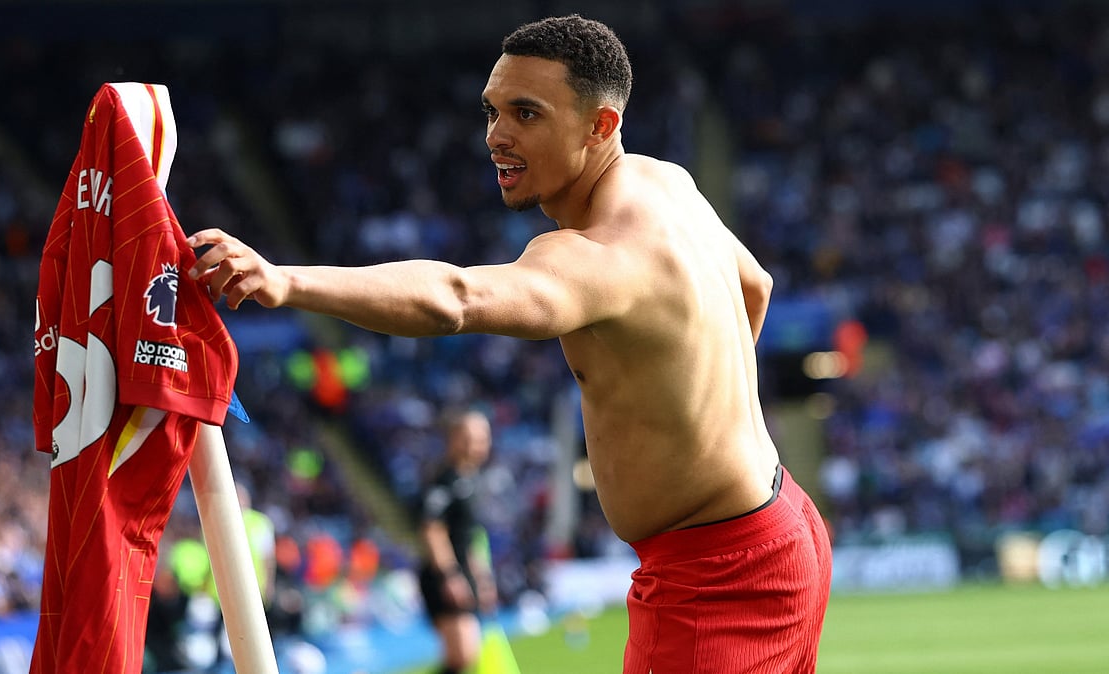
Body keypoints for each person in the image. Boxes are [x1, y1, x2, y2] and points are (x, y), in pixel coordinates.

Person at [187, 14, 832, 672]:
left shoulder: (597, 255)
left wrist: (286, 279)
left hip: (717, 574)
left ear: (599, 125)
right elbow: (757, 284)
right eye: (492, 111)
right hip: (781, 525)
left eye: (527, 114)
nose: (496, 136)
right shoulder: (668, 183)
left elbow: (456, 298)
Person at [416, 409, 498, 674]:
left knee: (464, 657)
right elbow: (432, 529)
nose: (480, 444)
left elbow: (470, 536)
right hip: (445, 575)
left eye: (484, 437)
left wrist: (482, 578)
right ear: (454, 439)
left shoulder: (471, 480)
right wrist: (449, 575)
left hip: (464, 571)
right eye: (472, 437)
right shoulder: (444, 480)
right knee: (461, 653)